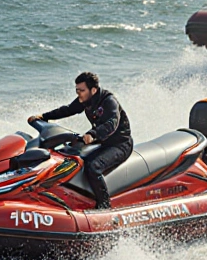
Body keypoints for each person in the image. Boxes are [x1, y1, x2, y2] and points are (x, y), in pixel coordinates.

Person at [28, 71, 132, 209]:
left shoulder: (109, 101)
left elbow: (111, 123)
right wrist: (43, 116)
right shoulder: (86, 100)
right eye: (76, 90)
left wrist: (93, 134)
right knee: (69, 154)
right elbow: (68, 109)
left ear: (93, 90)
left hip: (120, 144)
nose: (78, 93)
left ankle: (104, 204)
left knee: (93, 166)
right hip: (102, 141)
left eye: (81, 90)